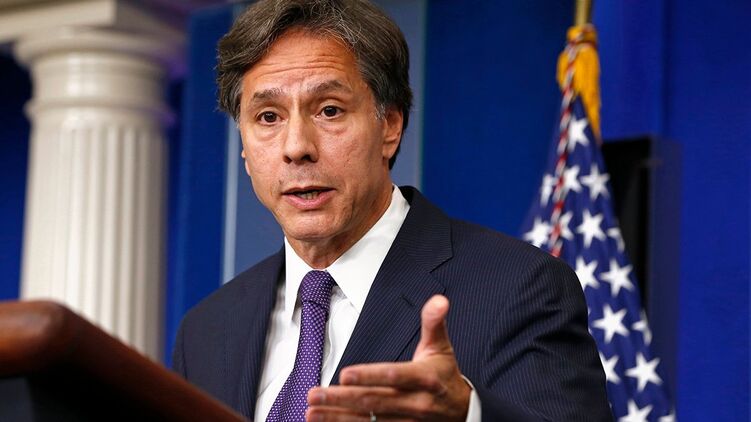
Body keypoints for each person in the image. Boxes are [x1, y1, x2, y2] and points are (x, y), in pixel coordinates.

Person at [172, 0, 612, 420]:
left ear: (391, 126)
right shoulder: (207, 331)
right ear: (244, 147)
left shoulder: (517, 288)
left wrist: (467, 415)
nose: (297, 147)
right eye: (268, 117)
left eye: (329, 110)